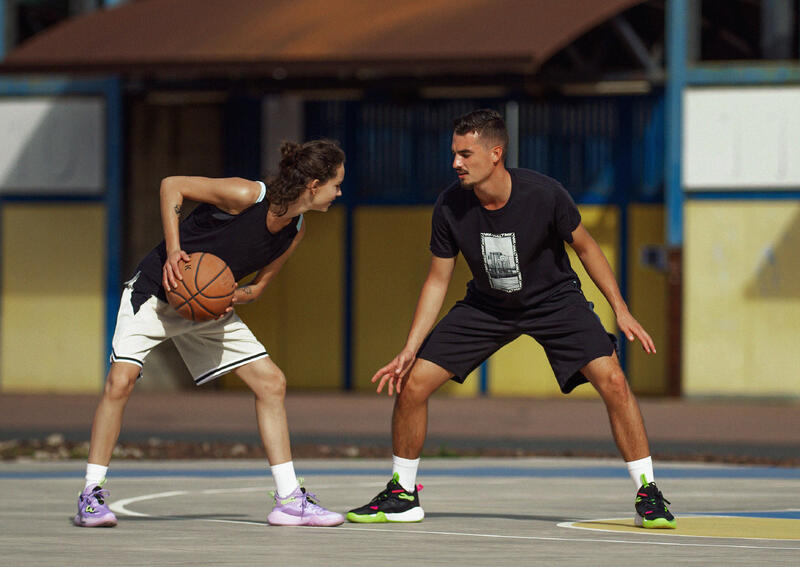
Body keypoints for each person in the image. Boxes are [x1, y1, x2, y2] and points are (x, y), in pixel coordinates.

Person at [346, 109, 676, 529]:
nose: (455, 163)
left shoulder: (544, 194)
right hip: (486, 306)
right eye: (454, 153)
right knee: (413, 383)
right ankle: (402, 494)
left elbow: (588, 249)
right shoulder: (450, 205)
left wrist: (621, 309)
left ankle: (648, 493)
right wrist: (410, 348)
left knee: (613, 380)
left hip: (555, 302)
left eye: (465, 154)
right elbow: (436, 281)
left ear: (495, 153)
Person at [74, 139, 346, 528]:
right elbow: (172, 184)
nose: (339, 192)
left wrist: (234, 294)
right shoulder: (247, 195)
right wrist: (172, 251)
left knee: (271, 383)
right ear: (314, 184)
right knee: (121, 380)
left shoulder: (295, 229)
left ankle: (289, 500)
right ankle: (90, 494)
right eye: (337, 184)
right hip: (156, 291)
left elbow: (257, 288)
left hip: (204, 307)